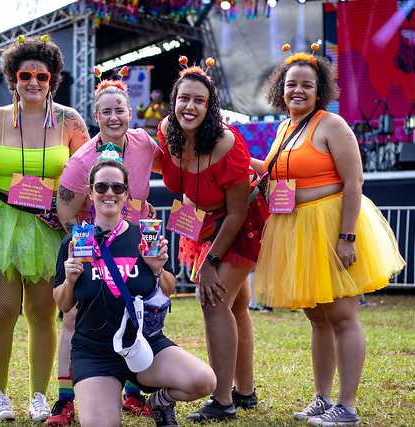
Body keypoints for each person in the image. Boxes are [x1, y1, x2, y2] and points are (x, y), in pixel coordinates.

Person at [252, 45, 405, 426]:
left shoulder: (332, 125)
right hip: (295, 227)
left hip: (331, 226)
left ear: (319, 90)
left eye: (307, 84)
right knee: (317, 318)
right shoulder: (286, 128)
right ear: (280, 90)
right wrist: (233, 153)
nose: (297, 91)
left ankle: (347, 406)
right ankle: (321, 398)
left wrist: (347, 237)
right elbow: (272, 174)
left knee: (342, 317)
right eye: (291, 85)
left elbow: (354, 181)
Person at [53, 159, 217, 427]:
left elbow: (168, 289)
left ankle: (159, 403)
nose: (110, 193)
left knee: (204, 381)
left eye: (117, 187)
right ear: (90, 192)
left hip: (143, 344)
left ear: (127, 193)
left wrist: (156, 269)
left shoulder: (146, 236)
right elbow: (63, 302)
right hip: (95, 352)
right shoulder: (74, 242)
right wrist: (70, 280)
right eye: (102, 186)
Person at [0, 35, 89, 422]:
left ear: (52, 78)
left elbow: (89, 171)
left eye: (42, 75)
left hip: (48, 226)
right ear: (13, 77)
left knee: (42, 310)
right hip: (2, 221)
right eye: (25, 74)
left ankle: (39, 396)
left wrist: (71, 213)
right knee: (4, 310)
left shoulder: (69, 120)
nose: (33, 82)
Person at [47, 79, 161, 425]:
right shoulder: (83, 161)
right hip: (92, 248)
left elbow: (164, 170)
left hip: (135, 244)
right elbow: (65, 212)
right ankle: (65, 399)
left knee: (131, 312)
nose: (114, 117)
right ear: (96, 116)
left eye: (120, 110)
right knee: (73, 317)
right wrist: (85, 249)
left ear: (130, 113)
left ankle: (130, 392)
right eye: (106, 111)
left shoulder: (144, 143)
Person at [157, 63, 267, 422]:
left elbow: (236, 215)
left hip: (241, 222)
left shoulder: (226, 141)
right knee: (235, 306)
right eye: (184, 98)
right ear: (174, 101)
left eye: (199, 101)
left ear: (210, 106)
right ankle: (245, 391)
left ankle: (222, 401)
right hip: (204, 222)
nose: (190, 106)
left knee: (214, 300)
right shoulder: (167, 133)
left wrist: (210, 263)